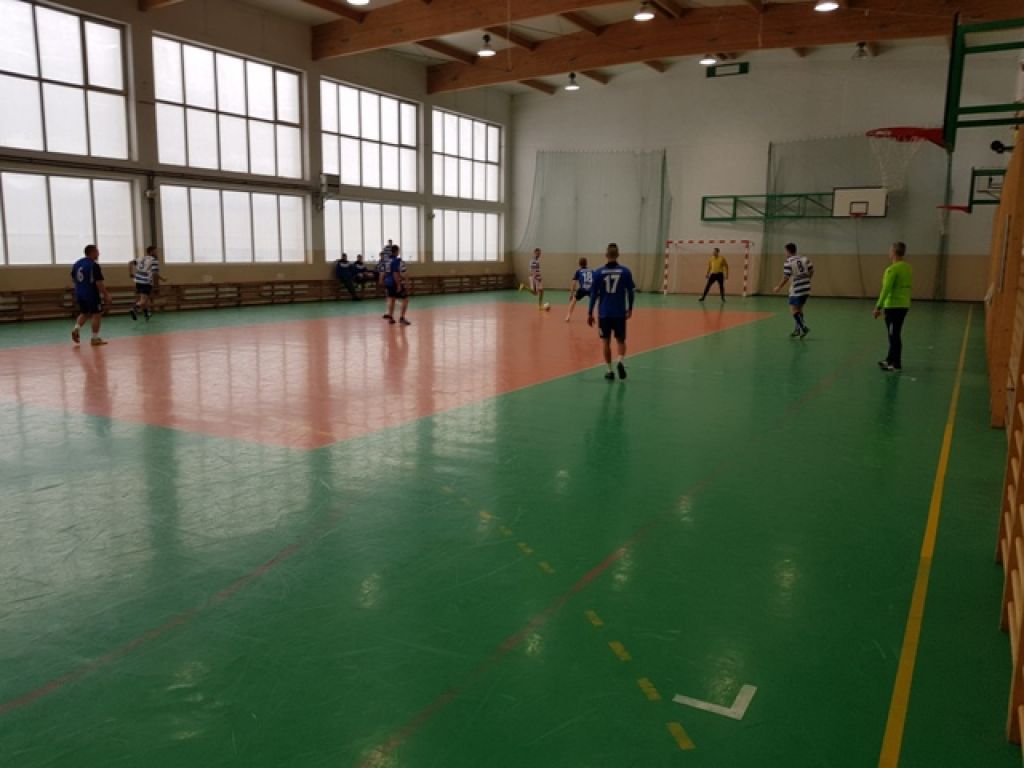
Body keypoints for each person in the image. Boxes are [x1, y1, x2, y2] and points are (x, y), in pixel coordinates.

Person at [588, 243, 635, 381]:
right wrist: (630, 308)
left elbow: (593, 295)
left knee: (605, 342)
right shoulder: (625, 272)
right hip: (619, 312)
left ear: (606, 255)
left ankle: (609, 371)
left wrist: (590, 312)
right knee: (621, 340)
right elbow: (631, 292)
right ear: (618, 255)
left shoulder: (598, 273)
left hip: (604, 313)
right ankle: (620, 360)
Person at [873, 241, 912, 372]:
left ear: (894, 252)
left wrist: (878, 306)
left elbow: (886, 289)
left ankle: (896, 364)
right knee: (895, 333)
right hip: (904, 305)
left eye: (890, 250)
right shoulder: (907, 268)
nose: (889, 253)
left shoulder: (892, 269)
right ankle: (889, 359)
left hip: (893, 307)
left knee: (893, 335)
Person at [71, 244, 113, 346]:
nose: (99, 253)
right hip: (91, 293)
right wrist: (106, 294)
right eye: (97, 251)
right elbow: (99, 282)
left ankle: (76, 328)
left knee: (84, 313)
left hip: (79, 292)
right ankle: (95, 338)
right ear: (92, 252)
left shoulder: (77, 263)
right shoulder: (93, 265)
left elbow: (74, 278)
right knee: (96, 314)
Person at [773, 242, 813, 338]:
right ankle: (797, 330)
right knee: (800, 309)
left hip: (797, 288)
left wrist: (778, 287)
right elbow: (812, 270)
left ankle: (804, 328)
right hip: (806, 287)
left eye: (785, 251)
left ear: (788, 251)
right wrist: (807, 279)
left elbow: (786, 277)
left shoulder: (788, 262)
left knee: (793, 310)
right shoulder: (804, 258)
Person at [128, 245, 161, 321]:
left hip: (138, 281)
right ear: (151, 252)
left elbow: (129, 263)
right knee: (143, 300)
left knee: (143, 299)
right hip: (146, 282)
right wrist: (162, 279)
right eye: (156, 251)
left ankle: (146, 314)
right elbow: (155, 273)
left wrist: (130, 273)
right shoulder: (154, 260)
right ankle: (134, 308)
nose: (157, 252)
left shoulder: (141, 258)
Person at [382, 243, 410, 325]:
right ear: (397, 251)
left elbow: (384, 273)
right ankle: (402, 318)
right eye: (398, 251)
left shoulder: (387, 261)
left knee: (392, 299)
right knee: (405, 299)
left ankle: (390, 318)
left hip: (388, 282)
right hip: (394, 282)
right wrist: (399, 284)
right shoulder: (397, 261)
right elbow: (396, 273)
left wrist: (382, 281)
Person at [565, 257, 594, 321]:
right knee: (593, 301)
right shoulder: (591, 270)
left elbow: (574, 283)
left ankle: (568, 316)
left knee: (574, 301)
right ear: (586, 263)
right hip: (591, 289)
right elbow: (595, 280)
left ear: (579, 264)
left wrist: (571, 294)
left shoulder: (578, 271)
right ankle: (592, 315)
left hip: (582, 289)